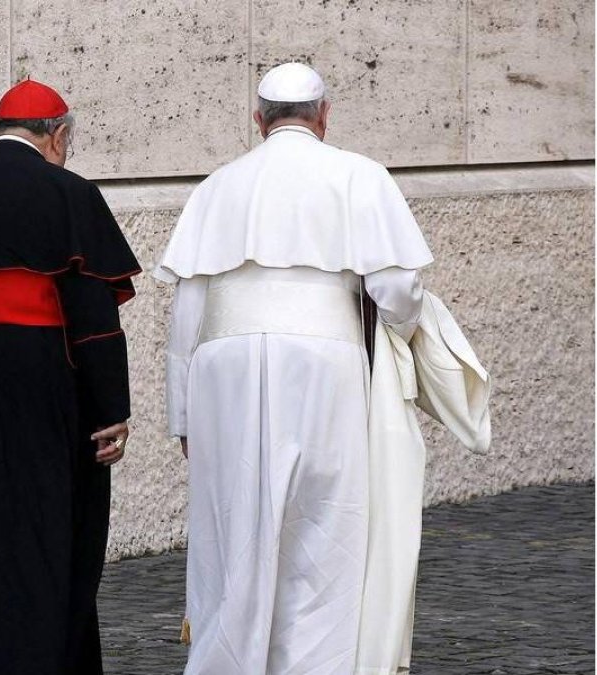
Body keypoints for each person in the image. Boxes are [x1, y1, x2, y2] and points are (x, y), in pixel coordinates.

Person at [154, 62, 434, 674]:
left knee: (234, 532)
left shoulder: (218, 186)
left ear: (259, 121)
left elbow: (187, 313)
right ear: (324, 116)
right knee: (324, 530)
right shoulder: (360, 176)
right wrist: (406, 335)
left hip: (223, 369)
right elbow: (395, 286)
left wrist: (183, 414)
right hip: (323, 362)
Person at [0, 79, 140, 675]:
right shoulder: (69, 192)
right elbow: (92, 319)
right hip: (40, 384)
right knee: (39, 533)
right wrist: (110, 408)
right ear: (58, 136)